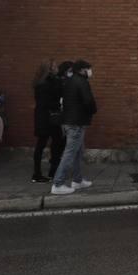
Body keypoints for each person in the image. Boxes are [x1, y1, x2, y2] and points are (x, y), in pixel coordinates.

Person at [51, 59, 96, 195]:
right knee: (70, 153)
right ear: (82, 70)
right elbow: (88, 101)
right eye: (88, 69)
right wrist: (94, 109)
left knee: (78, 152)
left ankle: (77, 180)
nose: (90, 72)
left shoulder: (70, 81)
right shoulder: (81, 82)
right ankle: (58, 184)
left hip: (71, 121)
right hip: (76, 123)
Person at [32, 61, 66, 183]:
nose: (57, 68)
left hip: (42, 117)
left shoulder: (39, 83)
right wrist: (58, 105)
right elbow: (50, 101)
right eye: (55, 67)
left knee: (41, 145)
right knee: (57, 142)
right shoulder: (51, 83)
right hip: (50, 118)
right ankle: (50, 170)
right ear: (50, 70)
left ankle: (38, 172)